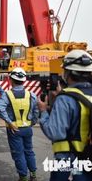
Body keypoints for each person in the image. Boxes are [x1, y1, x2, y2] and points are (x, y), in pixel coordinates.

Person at [38, 50, 92, 181]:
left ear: (67, 73)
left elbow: (54, 132)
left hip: (67, 160)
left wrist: (44, 111)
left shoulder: (65, 98)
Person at [0, 68, 39, 181]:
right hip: (27, 128)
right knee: (29, 151)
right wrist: (32, 123)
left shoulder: (7, 95)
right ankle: (33, 174)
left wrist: (9, 123)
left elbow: (0, 108)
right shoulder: (32, 95)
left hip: (14, 130)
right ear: (24, 81)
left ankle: (23, 177)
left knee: (18, 153)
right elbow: (36, 112)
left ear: (11, 80)